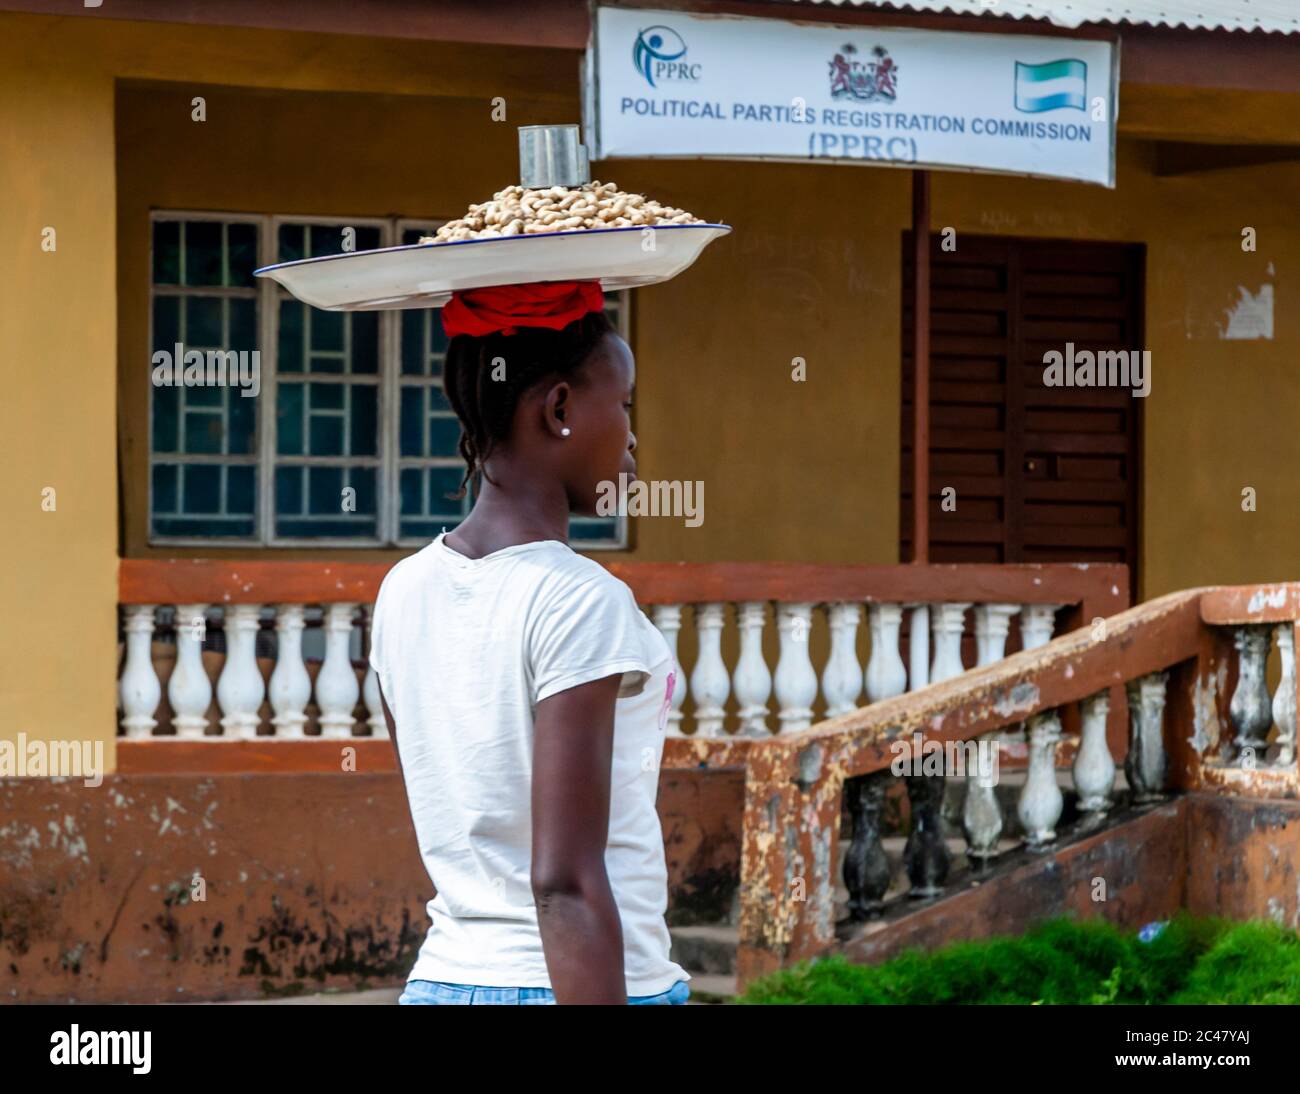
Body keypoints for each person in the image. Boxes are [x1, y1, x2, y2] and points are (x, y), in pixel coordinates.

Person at [368, 280, 691, 1005]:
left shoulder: (402, 591)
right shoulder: (581, 601)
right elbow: (564, 885)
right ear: (560, 410)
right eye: (626, 404)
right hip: (580, 987)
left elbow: (460, 805)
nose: (634, 434)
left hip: (445, 977)